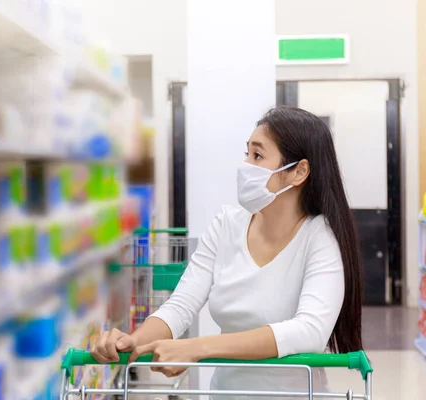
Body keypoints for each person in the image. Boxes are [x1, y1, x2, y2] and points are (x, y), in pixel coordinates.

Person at [91, 106, 363, 399]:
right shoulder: (226, 226)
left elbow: (309, 330)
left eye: (257, 156)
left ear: (298, 172)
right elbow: (180, 306)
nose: (245, 164)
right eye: (246, 153)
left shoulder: (319, 238)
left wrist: (198, 347)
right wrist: (132, 342)